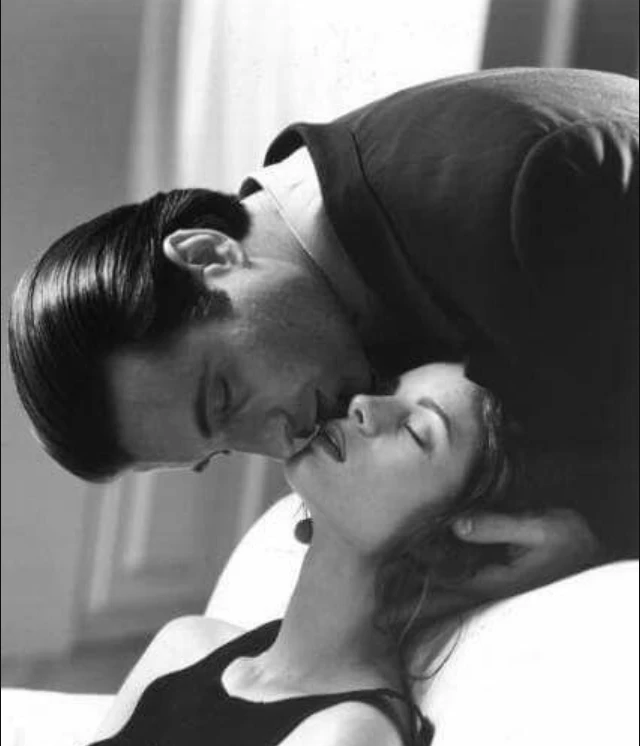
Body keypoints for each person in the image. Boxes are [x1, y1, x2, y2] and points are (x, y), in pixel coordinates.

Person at [8, 68, 638, 593]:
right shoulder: (342, 301)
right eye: (223, 448)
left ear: (208, 253)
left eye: (224, 398)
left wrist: (599, 534)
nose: (284, 444)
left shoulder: (520, 199)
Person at [64, 363, 596, 746]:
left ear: (459, 535)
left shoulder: (345, 741)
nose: (363, 404)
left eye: (417, 431)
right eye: (388, 389)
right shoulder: (184, 645)